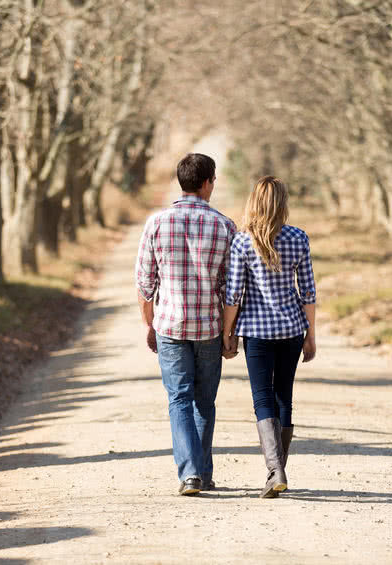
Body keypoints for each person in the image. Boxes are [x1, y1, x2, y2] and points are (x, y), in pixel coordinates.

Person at [135, 153, 237, 496]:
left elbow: (145, 283)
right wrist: (229, 333)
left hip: (170, 326)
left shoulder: (157, 223)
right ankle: (202, 473)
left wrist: (149, 324)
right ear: (208, 182)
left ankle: (191, 474)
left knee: (179, 399)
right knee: (204, 402)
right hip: (208, 327)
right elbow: (230, 287)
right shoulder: (224, 226)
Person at [223, 175, 317, 498]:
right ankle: (278, 471)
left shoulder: (242, 241)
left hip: (257, 334)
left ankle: (276, 471)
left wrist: (227, 333)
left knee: (263, 398)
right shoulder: (298, 238)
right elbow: (307, 292)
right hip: (292, 329)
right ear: (282, 204)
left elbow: (233, 294)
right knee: (284, 396)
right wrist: (311, 335)